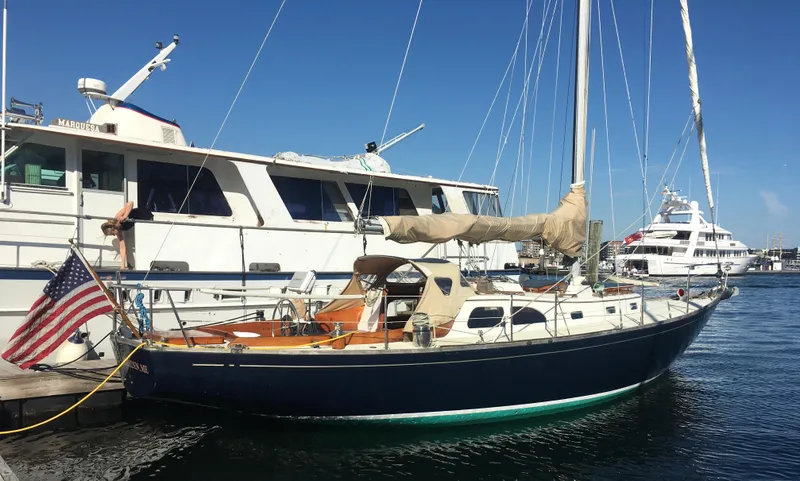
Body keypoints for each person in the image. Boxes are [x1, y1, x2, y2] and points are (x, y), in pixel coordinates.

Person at [101, 201, 153, 270]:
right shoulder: (118, 231)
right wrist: (122, 265)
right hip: (141, 223)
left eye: (112, 234)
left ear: (113, 228)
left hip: (145, 215)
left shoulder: (117, 218)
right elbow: (122, 247)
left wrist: (125, 216)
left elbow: (130, 203)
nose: (114, 235)